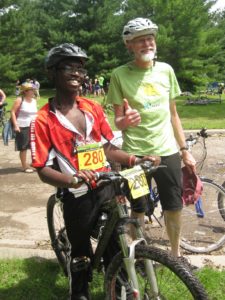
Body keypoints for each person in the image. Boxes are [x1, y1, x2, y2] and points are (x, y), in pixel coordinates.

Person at [30, 43, 159, 300]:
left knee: (116, 241)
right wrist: (72, 178)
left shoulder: (92, 108)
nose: (77, 73)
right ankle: (79, 290)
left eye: (80, 68)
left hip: (106, 184)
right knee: (81, 253)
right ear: (52, 73)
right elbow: (42, 169)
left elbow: (108, 146)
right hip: (77, 192)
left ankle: (118, 285)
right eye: (69, 67)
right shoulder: (43, 119)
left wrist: (134, 158)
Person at [107, 17, 196, 259]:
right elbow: (117, 120)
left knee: (174, 207)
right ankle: (141, 258)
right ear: (129, 45)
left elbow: (173, 114)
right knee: (138, 209)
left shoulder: (166, 70)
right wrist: (125, 121)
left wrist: (184, 149)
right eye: (140, 40)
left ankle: (176, 257)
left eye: (150, 38)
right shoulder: (119, 74)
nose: (147, 43)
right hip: (135, 156)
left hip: (167, 152)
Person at [11, 82, 37, 173]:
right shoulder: (20, 100)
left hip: (34, 125)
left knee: (34, 145)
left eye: (33, 90)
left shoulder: (34, 100)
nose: (33, 91)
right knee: (24, 146)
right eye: (31, 90)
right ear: (25, 91)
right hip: (22, 126)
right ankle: (24, 166)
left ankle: (33, 163)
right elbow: (13, 112)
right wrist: (15, 125)